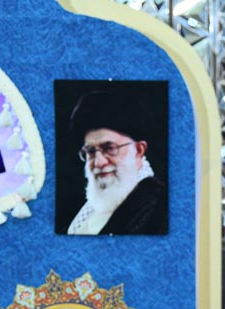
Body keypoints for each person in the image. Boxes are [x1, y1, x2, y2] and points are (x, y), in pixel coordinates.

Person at [62, 90, 167, 235]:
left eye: (109, 148)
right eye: (91, 152)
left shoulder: (162, 209)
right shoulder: (82, 205)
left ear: (139, 150)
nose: (99, 162)